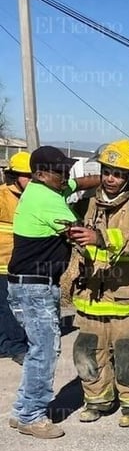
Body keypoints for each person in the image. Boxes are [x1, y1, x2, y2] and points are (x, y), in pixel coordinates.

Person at [66, 139, 129, 428]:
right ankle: (97, 401)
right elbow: (56, 194)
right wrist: (79, 183)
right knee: (87, 352)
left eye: (119, 173)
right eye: (107, 171)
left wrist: (102, 239)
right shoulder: (87, 201)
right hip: (92, 297)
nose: (111, 178)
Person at [8, 146, 100, 439]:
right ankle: (31, 416)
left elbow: (78, 183)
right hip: (34, 285)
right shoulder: (48, 200)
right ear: (39, 174)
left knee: (38, 348)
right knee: (46, 349)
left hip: (30, 282)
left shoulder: (47, 187)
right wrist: (106, 242)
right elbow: (81, 236)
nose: (65, 176)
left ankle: (23, 409)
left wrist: (105, 178)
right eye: (59, 171)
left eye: (66, 170)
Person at [0, 152, 32, 364]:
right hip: (3, 262)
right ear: (14, 176)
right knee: (7, 306)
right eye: (26, 176)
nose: (30, 181)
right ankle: (15, 347)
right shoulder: (3, 196)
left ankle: (9, 344)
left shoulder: (33, 197)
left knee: (13, 306)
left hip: (21, 262)